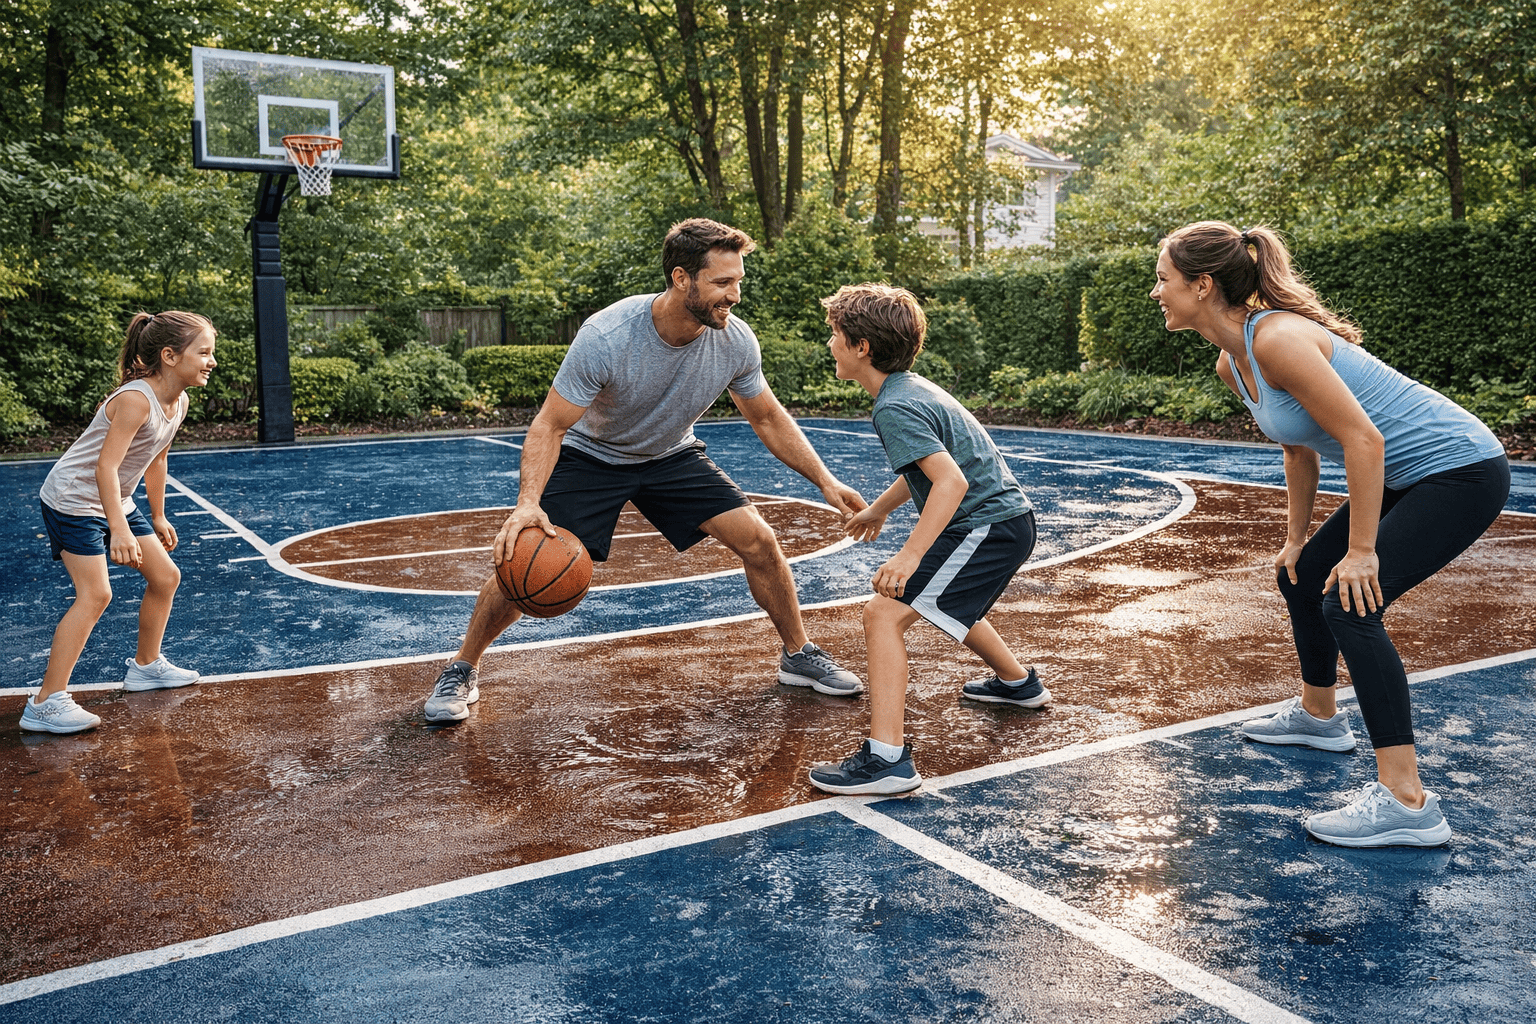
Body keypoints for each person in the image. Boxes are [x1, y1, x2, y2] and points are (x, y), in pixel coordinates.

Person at [422, 218, 868, 723]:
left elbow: (766, 416)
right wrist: (528, 503)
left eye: (738, 280)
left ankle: (797, 655)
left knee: (760, 542)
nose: (735, 295)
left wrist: (827, 481)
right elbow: (549, 425)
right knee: (525, 561)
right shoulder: (608, 336)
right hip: (594, 456)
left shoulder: (736, 342)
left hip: (670, 456)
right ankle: (462, 667)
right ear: (682, 279)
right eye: (723, 282)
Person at [1151, 221, 1509, 847]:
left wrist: (1363, 552)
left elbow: (1362, 440)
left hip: (1461, 471)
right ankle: (1319, 715)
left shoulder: (1279, 340)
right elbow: (1298, 450)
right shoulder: (1233, 364)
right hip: (1406, 474)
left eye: (1163, 279)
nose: (1155, 292)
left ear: (1202, 285)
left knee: (1351, 605)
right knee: (1303, 576)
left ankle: (1408, 802)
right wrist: (1297, 540)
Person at [806, 284, 1048, 796]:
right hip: (1001, 523)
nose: (829, 343)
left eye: (834, 334)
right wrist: (878, 509)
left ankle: (887, 759)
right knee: (945, 599)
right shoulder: (909, 389)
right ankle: (1017, 684)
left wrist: (908, 554)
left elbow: (951, 481)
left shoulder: (892, 407)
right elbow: (928, 467)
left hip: (987, 525)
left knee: (884, 612)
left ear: (861, 347)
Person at [22, 312, 218, 735]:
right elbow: (105, 468)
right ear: (169, 355)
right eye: (203, 352)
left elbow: (157, 457)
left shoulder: (178, 400)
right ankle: (45, 703)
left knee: (165, 576)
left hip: (113, 499)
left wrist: (159, 514)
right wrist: (121, 528)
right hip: (73, 500)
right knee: (95, 594)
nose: (212, 361)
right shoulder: (135, 400)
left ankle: (146, 667)